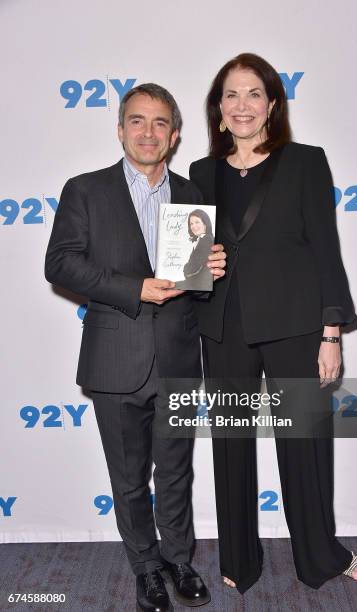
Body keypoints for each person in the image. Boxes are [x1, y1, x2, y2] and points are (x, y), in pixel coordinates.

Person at [189, 53, 357, 594]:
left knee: (305, 447)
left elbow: (325, 252)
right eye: (231, 95)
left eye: (253, 94)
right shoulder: (201, 172)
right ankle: (239, 559)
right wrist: (199, 266)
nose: (242, 105)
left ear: (272, 105)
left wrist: (330, 333)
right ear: (219, 109)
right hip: (224, 327)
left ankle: (320, 555)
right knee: (231, 447)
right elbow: (193, 261)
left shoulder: (306, 162)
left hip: (294, 326)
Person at [45, 83, 226, 612]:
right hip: (114, 357)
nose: (149, 132)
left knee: (175, 470)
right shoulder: (85, 190)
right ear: (121, 128)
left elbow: (200, 276)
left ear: (174, 134)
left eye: (160, 123)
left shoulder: (192, 193)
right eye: (138, 121)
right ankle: (145, 566)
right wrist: (134, 288)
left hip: (175, 355)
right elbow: (60, 263)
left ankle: (178, 559)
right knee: (128, 478)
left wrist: (214, 269)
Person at [177, 209, 214, 291]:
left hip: (198, 285)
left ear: (205, 224)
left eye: (197, 222)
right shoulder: (201, 240)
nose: (194, 226)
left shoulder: (207, 240)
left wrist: (185, 268)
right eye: (191, 224)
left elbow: (193, 268)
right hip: (196, 283)